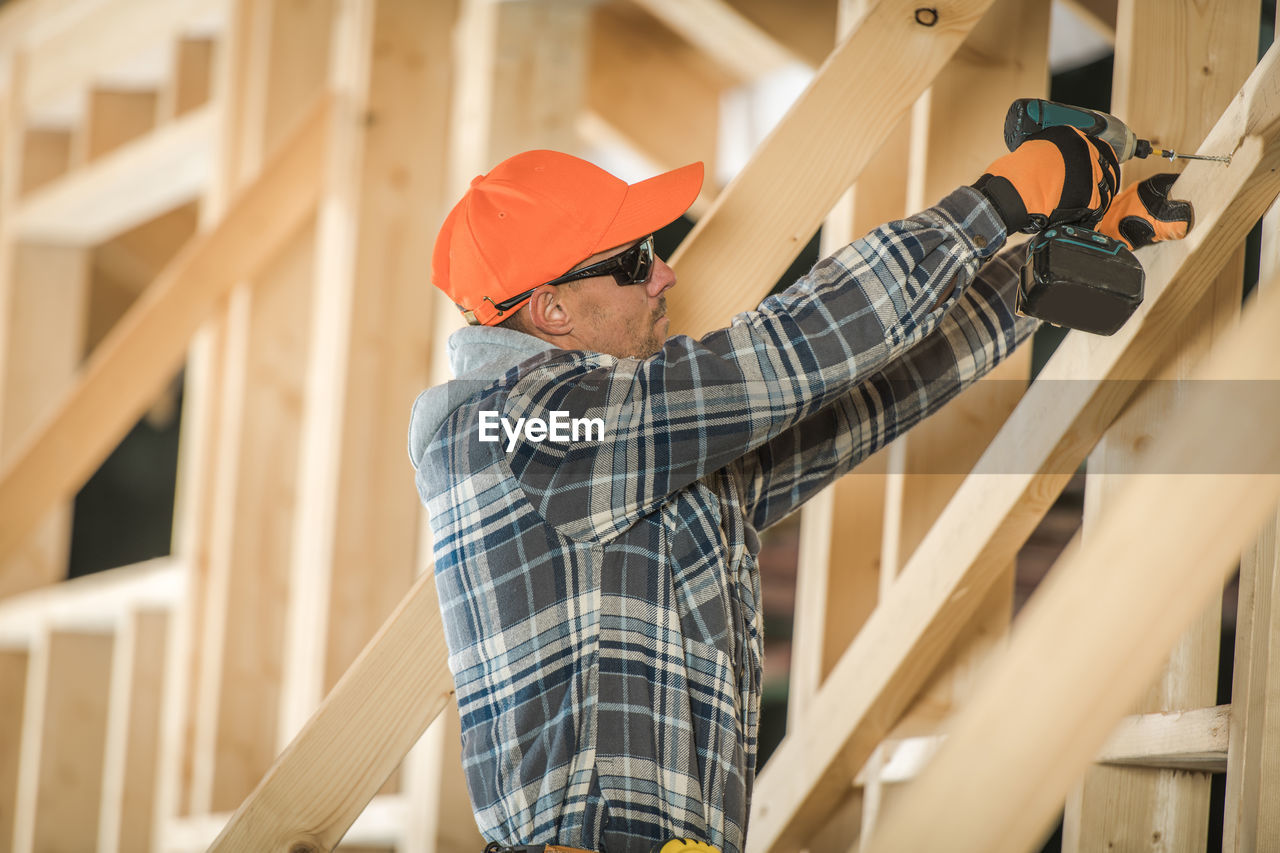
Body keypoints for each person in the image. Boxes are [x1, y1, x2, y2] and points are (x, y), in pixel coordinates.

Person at [408, 128, 1190, 853]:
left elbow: (853, 396)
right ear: (550, 309)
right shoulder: (514, 431)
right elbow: (783, 352)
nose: (665, 271)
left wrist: (1033, 279)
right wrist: (996, 204)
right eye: (637, 259)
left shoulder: (626, 453)